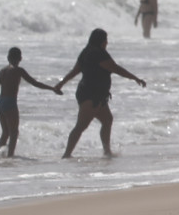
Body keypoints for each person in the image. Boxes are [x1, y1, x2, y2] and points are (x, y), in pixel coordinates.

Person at [56, 28, 146, 159]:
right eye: (106, 40)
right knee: (81, 125)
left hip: (93, 94)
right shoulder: (98, 53)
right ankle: (66, 155)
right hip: (91, 94)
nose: (107, 43)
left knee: (107, 120)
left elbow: (75, 71)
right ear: (101, 41)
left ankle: (106, 151)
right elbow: (116, 69)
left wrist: (61, 84)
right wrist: (135, 78)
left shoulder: (86, 52)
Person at [0, 47, 59, 158]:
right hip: (10, 103)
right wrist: (52, 88)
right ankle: (10, 156)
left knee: (5, 132)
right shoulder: (19, 70)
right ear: (20, 58)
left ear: (8, 58)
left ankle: (1, 155)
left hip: (0, 103)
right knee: (14, 133)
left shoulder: (2, 71)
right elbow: (35, 83)